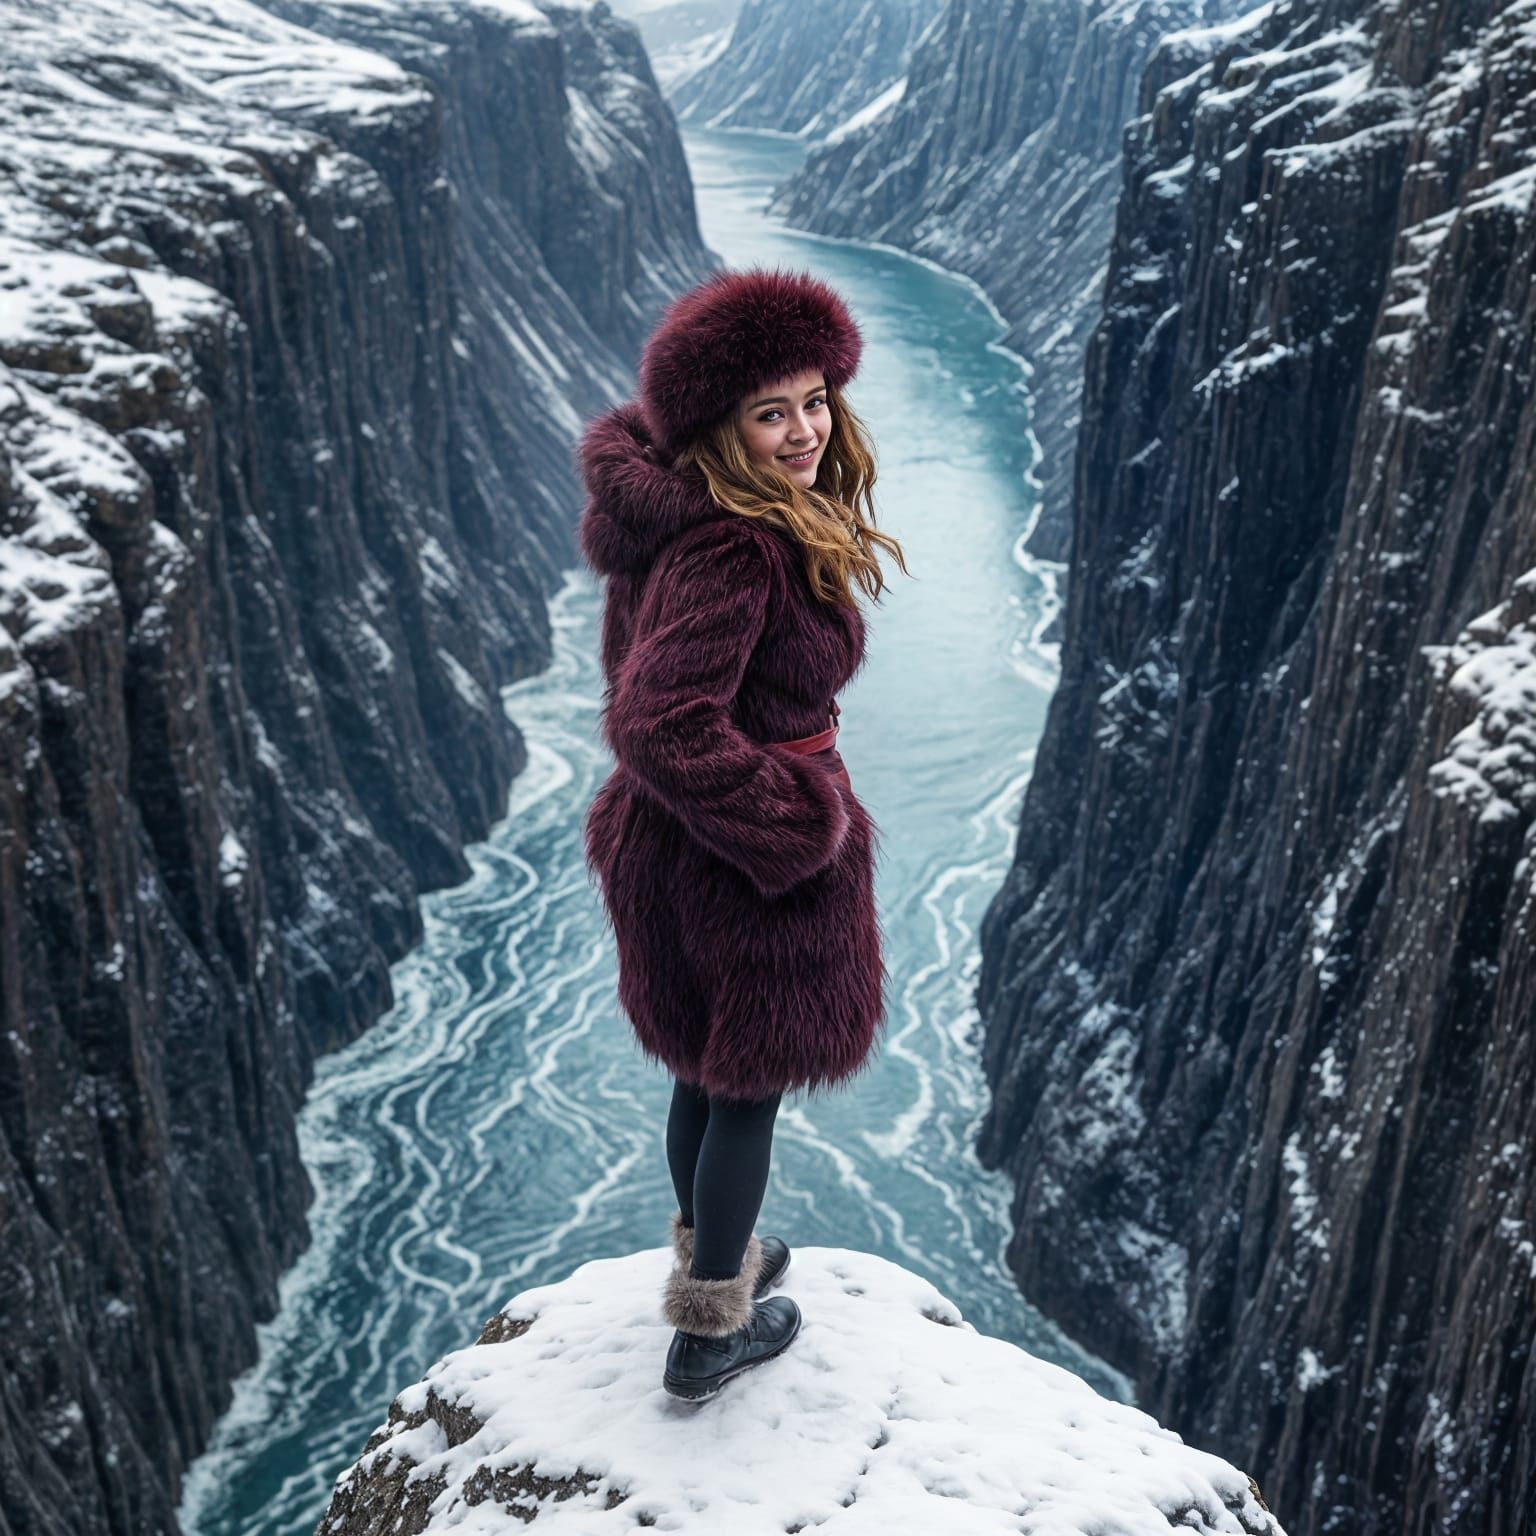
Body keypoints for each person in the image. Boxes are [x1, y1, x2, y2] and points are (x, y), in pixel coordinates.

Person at [575, 264, 908, 1401]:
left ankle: (714, 1259)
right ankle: (713, 1326)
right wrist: (793, 827)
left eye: (816, 399)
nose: (806, 429)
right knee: (747, 1087)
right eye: (773, 412)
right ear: (723, 426)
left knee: (706, 1070)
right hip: (740, 852)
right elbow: (659, 720)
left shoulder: (683, 515)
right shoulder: (735, 546)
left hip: (677, 844)